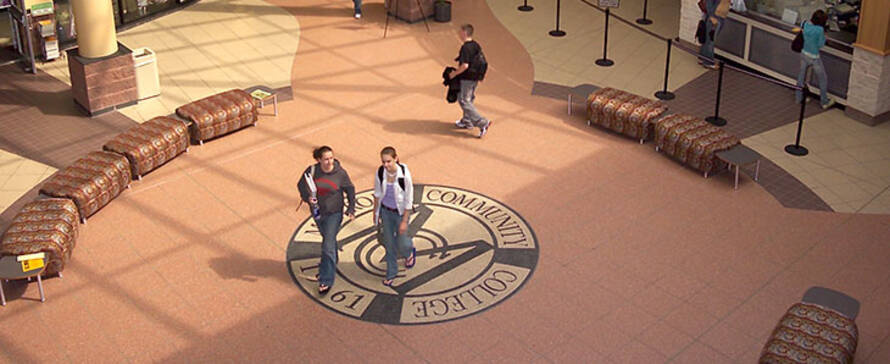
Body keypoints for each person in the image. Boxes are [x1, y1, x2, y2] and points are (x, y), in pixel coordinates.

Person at [297, 146, 356, 294]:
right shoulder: (312, 171)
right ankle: (331, 262)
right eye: (326, 159)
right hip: (318, 213)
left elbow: (350, 189)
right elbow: (301, 185)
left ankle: (326, 279)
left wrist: (351, 208)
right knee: (329, 241)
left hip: (334, 214)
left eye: (331, 158)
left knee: (327, 244)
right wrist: (307, 197)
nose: (330, 161)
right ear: (319, 160)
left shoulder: (340, 173)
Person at [373, 146, 416, 286]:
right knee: (389, 243)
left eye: (389, 161)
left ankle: (409, 251)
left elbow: (409, 200)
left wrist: (404, 221)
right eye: (383, 162)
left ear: (396, 158)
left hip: (400, 213)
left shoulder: (404, 175)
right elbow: (378, 194)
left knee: (402, 242)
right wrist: (375, 213)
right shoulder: (380, 173)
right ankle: (391, 272)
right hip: (386, 212)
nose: (386, 165)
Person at [449, 24, 492, 138]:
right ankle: (466, 121)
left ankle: (482, 123)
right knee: (468, 98)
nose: (458, 34)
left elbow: (465, 65)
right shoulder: (475, 45)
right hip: (475, 77)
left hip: (467, 77)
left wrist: (454, 73)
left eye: (460, 32)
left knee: (464, 100)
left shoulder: (465, 47)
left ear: (464, 32)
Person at [796, 10, 835, 109]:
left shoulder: (805, 24)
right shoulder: (819, 30)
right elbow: (820, 44)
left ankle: (799, 97)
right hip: (814, 57)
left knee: (801, 77)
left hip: (804, 53)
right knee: (822, 79)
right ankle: (824, 101)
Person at [699, 0, 730, 69]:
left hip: (718, 16)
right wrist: (712, 17)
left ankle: (702, 57)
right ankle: (708, 62)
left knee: (708, 39)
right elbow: (709, 2)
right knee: (710, 40)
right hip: (715, 17)